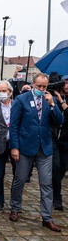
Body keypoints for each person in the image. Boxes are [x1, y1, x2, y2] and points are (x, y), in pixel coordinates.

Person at [9, 73, 64, 232]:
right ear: (33, 84)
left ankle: (47, 217)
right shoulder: (21, 100)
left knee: (46, 183)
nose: (41, 89)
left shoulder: (49, 100)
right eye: (39, 86)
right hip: (25, 147)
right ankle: (15, 207)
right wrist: (14, 147)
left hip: (45, 148)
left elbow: (59, 121)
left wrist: (53, 105)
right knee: (20, 179)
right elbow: (14, 125)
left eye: (44, 87)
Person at [0, 81, 17, 212]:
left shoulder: (17, 105)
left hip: (15, 143)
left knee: (17, 174)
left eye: (3, 91)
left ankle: (15, 201)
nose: (1, 93)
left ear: (10, 92)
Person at [52, 76, 68, 211]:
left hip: (66, 140)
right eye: (66, 83)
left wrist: (62, 101)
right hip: (53, 139)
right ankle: (56, 197)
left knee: (63, 167)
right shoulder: (51, 98)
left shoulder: (63, 100)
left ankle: (53, 187)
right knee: (56, 167)